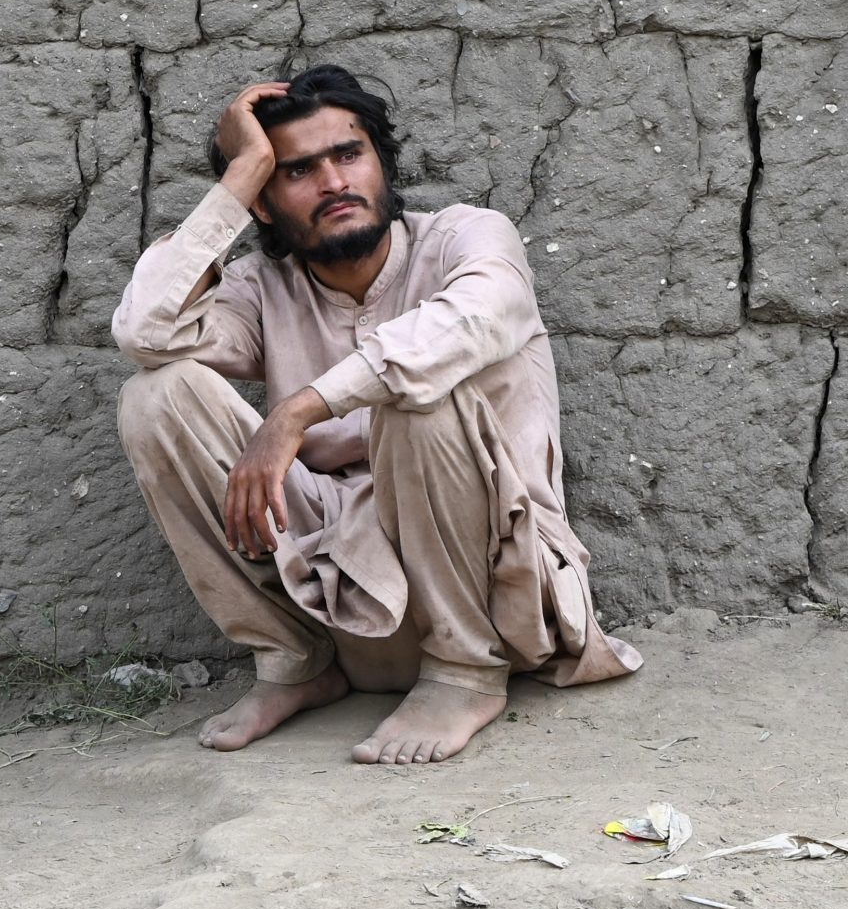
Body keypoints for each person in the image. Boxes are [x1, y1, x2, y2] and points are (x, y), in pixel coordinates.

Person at [112, 66, 641, 768]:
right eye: (296, 170)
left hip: (493, 603)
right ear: (266, 205)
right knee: (156, 394)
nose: (332, 181)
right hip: (342, 601)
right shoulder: (263, 290)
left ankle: (463, 673)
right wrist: (242, 173)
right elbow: (147, 334)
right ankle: (294, 660)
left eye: (348, 154)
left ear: (382, 165)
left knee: (418, 390)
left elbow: (472, 321)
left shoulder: (466, 237)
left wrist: (296, 411)